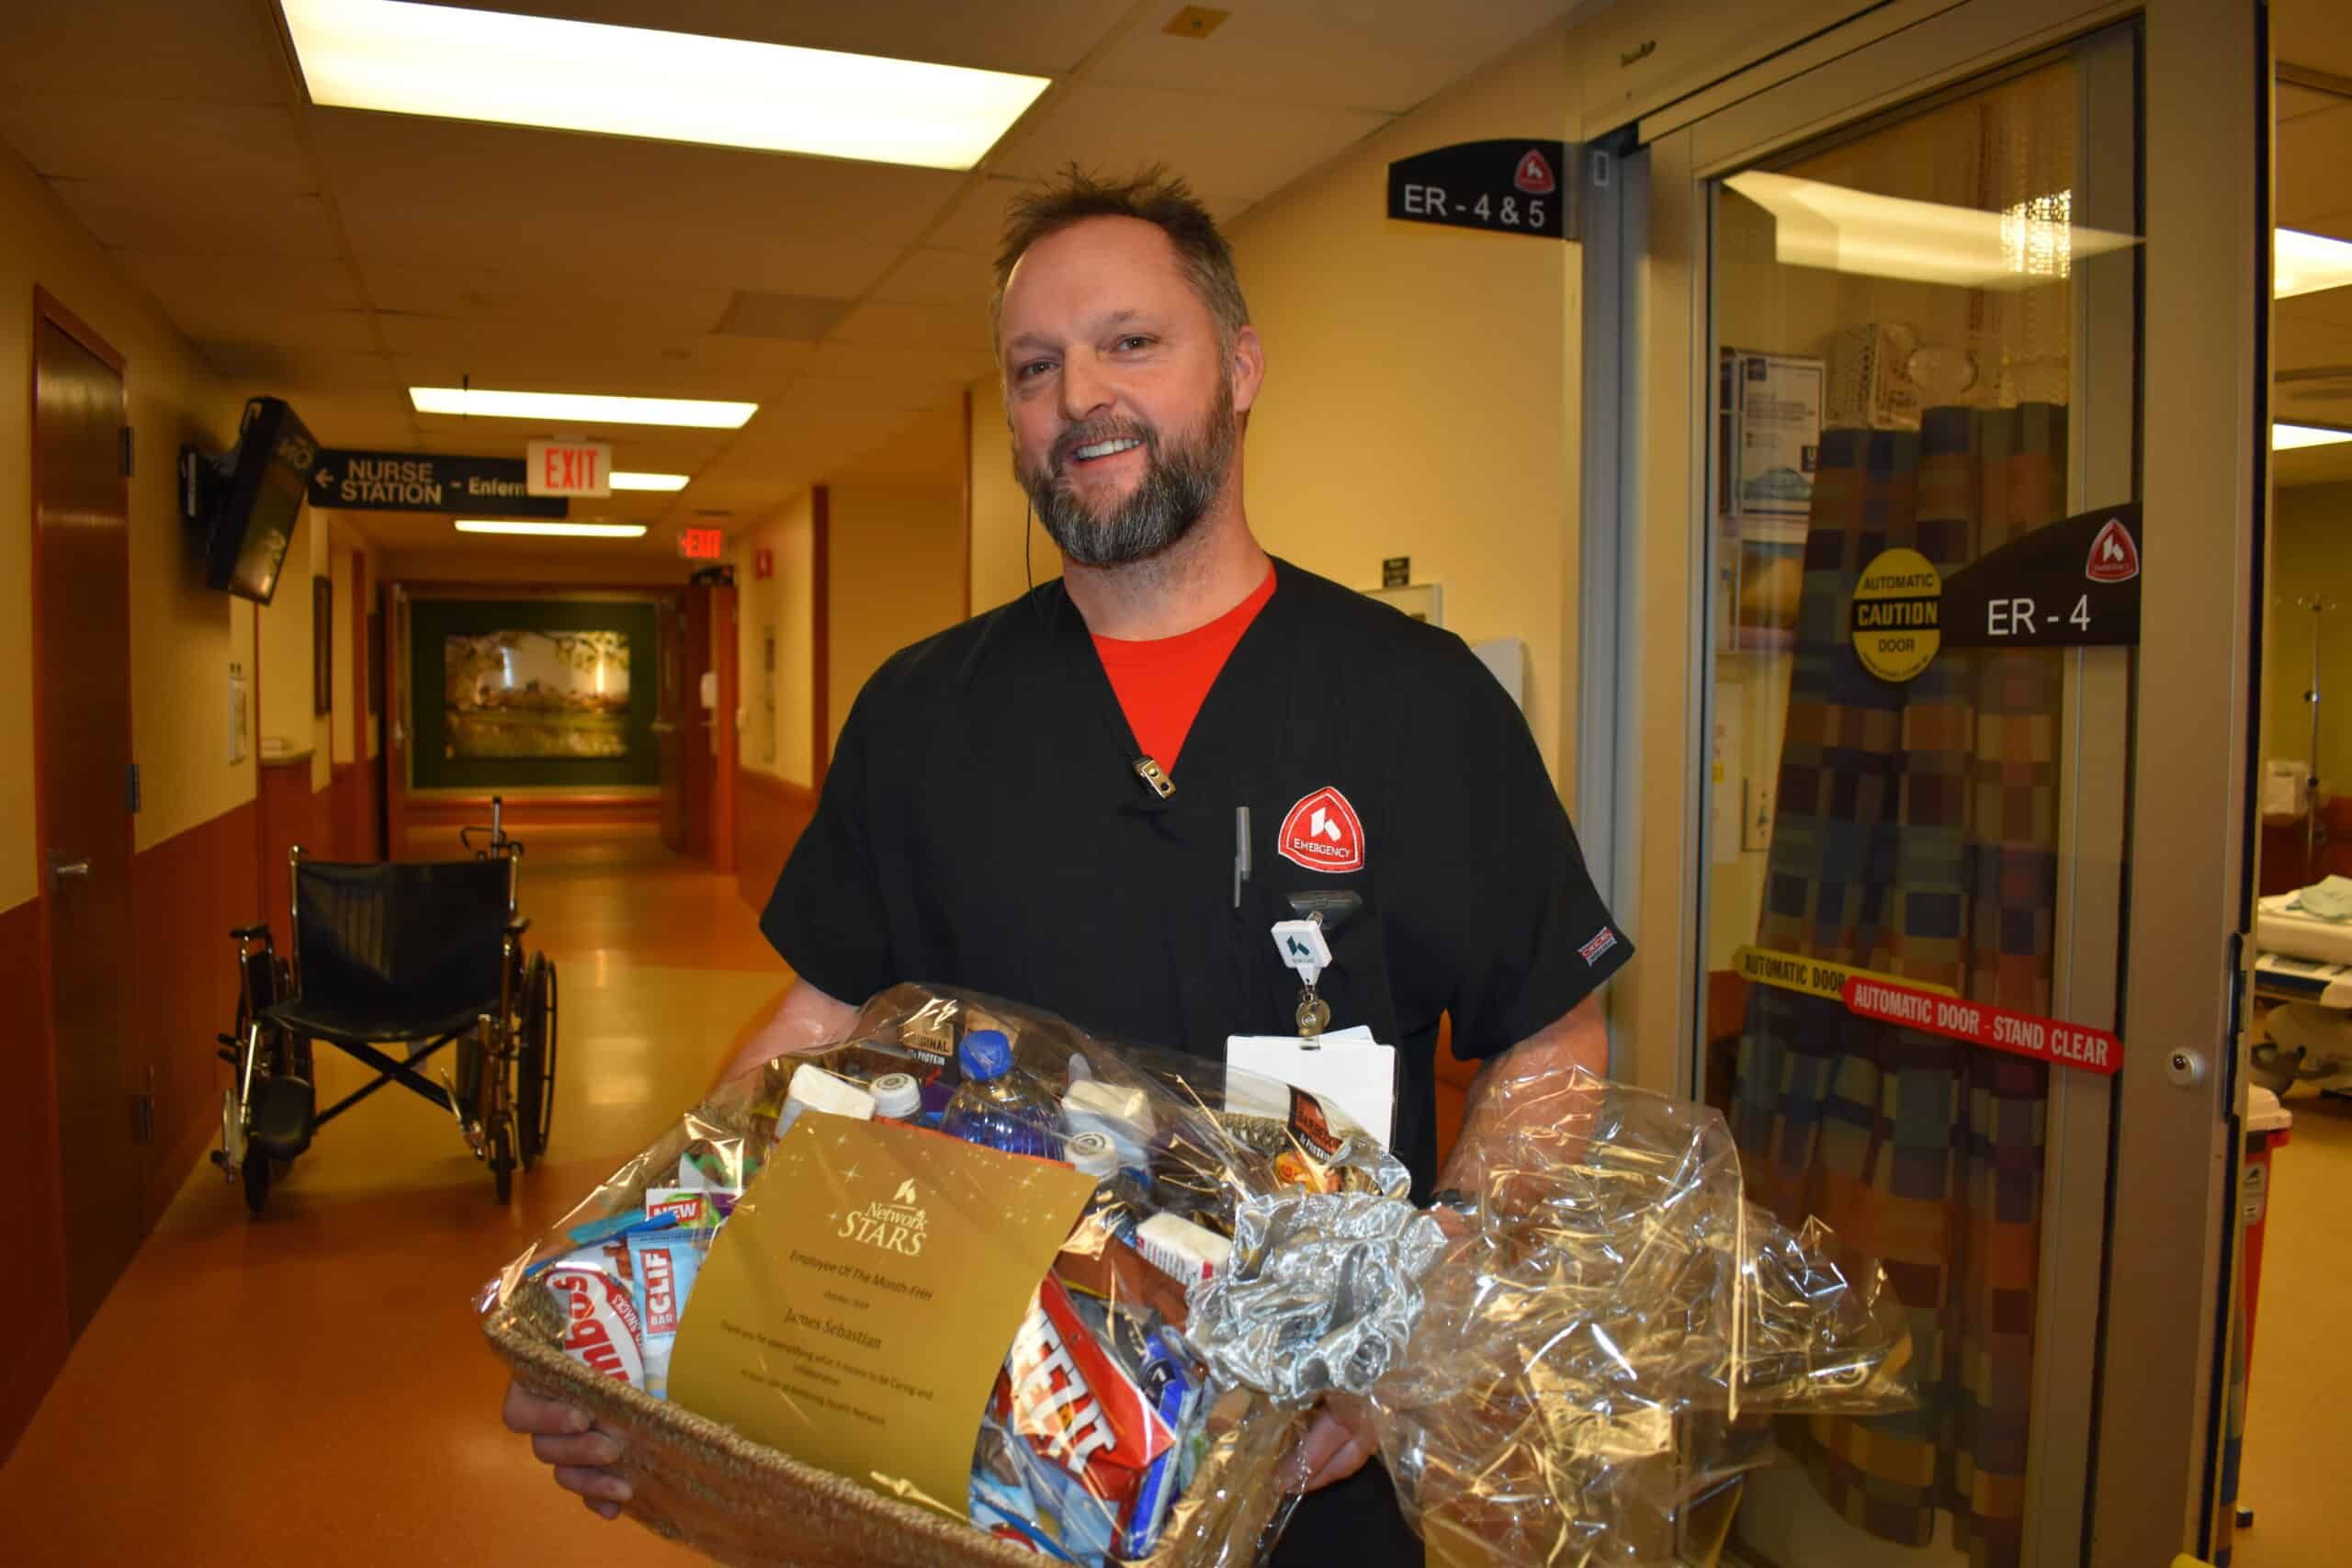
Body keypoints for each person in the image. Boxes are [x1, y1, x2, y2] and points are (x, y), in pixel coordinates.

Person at [504, 166, 1633, 1565]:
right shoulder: (926, 711)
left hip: (1303, 1470)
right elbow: (813, 1029)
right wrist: (645, 1319)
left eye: (1129, 343)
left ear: (1240, 368)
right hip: (975, 1455)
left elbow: (1553, 1035)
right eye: (1034, 367)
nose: (1076, 395)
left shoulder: (1416, 704)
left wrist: (1421, 1305)